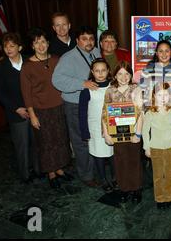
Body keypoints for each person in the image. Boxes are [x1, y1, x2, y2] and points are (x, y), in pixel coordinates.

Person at [20, 28, 72, 189]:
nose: (40, 45)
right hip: (41, 110)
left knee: (60, 140)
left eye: (43, 41)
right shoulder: (27, 67)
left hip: (59, 107)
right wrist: (32, 115)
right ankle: (51, 172)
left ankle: (60, 169)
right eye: (36, 42)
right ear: (32, 46)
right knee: (46, 142)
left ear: (48, 43)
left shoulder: (57, 60)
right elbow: (26, 93)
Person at [52, 25, 102, 187]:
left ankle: (94, 169)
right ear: (77, 41)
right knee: (81, 141)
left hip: (93, 104)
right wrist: (82, 83)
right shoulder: (68, 57)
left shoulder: (96, 53)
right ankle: (86, 176)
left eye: (91, 38)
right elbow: (57, 80)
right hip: (75, 105)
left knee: (93, 137)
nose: (89, 42)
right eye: (84, 39)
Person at [0, 32, 38, 183]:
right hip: (15, 112)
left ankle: (38, 169)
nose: (8, 49)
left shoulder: (30, 62)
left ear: (20, 47)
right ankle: (25, 174)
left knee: (36, 142)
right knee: (22, 145)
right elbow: (0, 93)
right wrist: (16, 108)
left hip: (34, 109)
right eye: (5, 46)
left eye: (12, 46)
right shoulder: (0, 67)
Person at [102, 61, 143, 203]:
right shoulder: (110, 91)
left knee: (134, 161)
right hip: (117, 134)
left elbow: (141, 113)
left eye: (126, 73)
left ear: (131, 75)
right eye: (120, 73)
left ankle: (136, 189)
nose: (123, 77)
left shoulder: (136, 89)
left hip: (133, 134)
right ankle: (124, 189)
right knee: (120, 162)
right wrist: (106, 134)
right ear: (114, 75)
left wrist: (138, 134)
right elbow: (104, 114)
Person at [79, 58, 115, 193]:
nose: (100, 74)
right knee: (99, 154)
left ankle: (115, 177)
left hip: (111, 127)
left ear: (108, 71)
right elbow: (82, 113)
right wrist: (84, 132)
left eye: (103, 70)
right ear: (92, 72)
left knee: (112, 154)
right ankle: (103, 179)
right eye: (97, 71)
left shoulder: (113, 86)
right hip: (94, 128)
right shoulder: (87, 90)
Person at [142, 83, 171, 209]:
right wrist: (146, 147)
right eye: (159, 94)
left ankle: (169, 197)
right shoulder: (150, 112)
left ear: (170, 96)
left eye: (165, 94)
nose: (163, 97)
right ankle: (159, 198)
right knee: (158, 175)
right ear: (154, 96)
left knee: (169, 173)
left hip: (170, 146)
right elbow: (145, 131)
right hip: (155, 147)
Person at [139, 40, 171, 106]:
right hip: (151, 109)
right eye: (161, 51)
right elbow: (142, 91)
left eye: (167, 51)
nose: (164, 54)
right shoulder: (147, 70)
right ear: (156, 53)